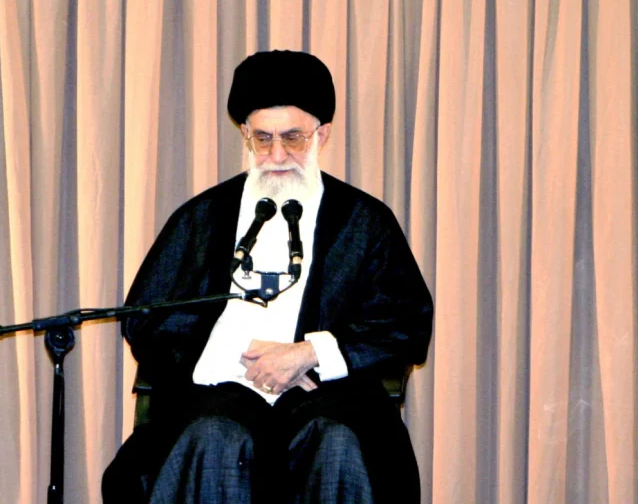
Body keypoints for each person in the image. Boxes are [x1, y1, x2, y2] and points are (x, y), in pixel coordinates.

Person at [103, 50, 434, 504]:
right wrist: (237, 362)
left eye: (294, 138)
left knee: (336, 441)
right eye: (263, 139)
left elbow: (405, 324)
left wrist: (309, 353)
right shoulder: (202, 219)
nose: (277, 155)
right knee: (215, 435)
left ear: (323, 134)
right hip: (222, 390)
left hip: (327, 393)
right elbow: (147, 318)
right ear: (245, 134)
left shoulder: (363, 222)